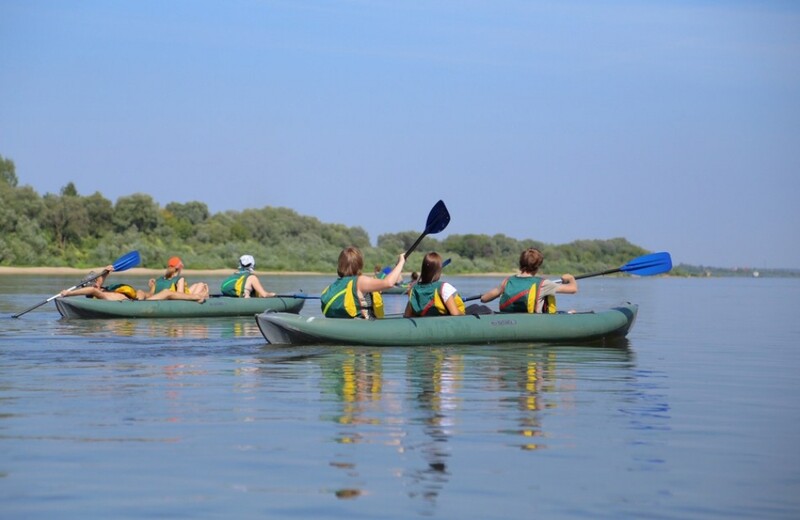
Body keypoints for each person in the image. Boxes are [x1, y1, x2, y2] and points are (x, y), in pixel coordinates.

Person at [480, 247, 577, 313]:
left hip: (508, 320)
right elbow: (573, 289)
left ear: (521, 263)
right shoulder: (544, 283)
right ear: (537, 266)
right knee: (571, 312)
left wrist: (485, 296)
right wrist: (571, 278)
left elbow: (484, 299)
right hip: (533, 322)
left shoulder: (507, 281)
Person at [321, 246, 405, 319]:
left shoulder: (334, 285)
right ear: (360, 264)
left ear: (340, 264)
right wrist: (401, 262)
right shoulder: (360, 281)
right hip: (361, 327)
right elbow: (389, 283)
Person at [60, 264, 208, 302]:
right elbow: (93, 290)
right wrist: (68, 293)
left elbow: (96, 286)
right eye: (95, 281)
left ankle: (199, 295)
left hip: (139, 298)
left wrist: (105, 272)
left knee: (200, 285)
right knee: (167, 293)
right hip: (134, 302)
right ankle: (197, 298)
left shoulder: (100, 288)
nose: (98, 282)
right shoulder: (96, 293)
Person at [404, 252, 465, 317]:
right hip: (442, 322)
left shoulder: (413, 290)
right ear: (438, 271)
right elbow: (454, 313)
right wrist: (464, 314)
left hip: (425, 321)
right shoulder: (444, 287)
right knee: (475, 307)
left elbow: (407, 315)